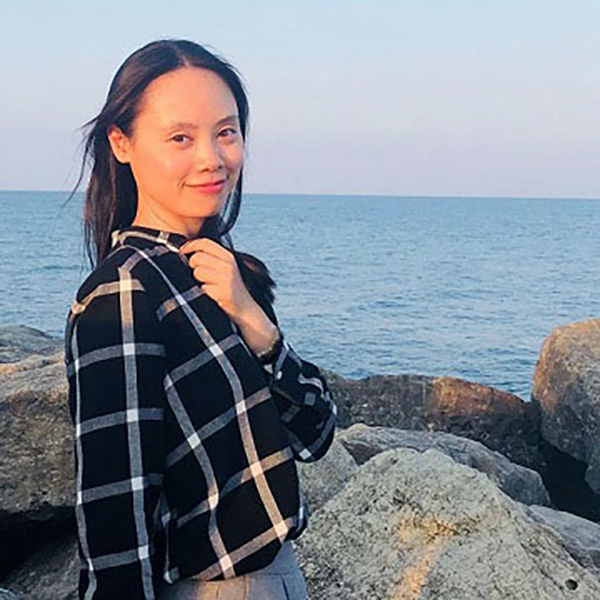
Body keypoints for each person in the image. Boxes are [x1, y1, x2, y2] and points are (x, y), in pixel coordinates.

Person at [63, 39, 337, 600]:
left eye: (227, 131)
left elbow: (317, 433)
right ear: (122, 142)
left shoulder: (220, 273)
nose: (212, 157)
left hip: (278, 576)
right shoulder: (124, 290)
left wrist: (257, 326)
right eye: (180, 137)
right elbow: (116, 508)